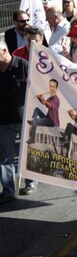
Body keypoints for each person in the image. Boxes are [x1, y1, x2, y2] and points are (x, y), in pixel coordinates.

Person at [0, 40, 30, 203]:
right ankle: (8, 191)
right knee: (4, 158)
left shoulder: (23, 65)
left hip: (23, 119)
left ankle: (31, 182)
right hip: (3, 122)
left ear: (4, 51)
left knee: (28, 154)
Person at [28, 78, 60, 147]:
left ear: (56, 88)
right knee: (36, 109)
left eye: (53, 87)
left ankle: (32, 137)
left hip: (52, 122)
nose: (51, 88)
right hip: (47, 118)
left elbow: (49, 105)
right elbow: (44, 103)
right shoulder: (50, 98)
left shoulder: (56, 100)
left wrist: (43, 99)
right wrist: (40, 98)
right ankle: (34, 121)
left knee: (36, 121)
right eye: (50, 86)